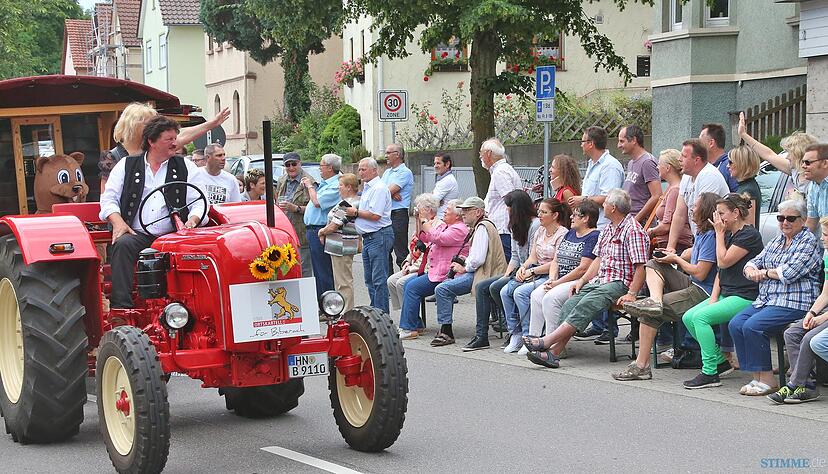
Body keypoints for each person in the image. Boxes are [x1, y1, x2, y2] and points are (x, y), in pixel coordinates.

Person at [523, 189, 649, 368]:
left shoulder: (633, 230)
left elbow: (640, 267)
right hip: (601, 280)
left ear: (613, 208)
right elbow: (597, 259)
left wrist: (632, 293)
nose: (602, 206)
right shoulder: (608, 229)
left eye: (604, 204)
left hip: (620, 283)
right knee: (570, 303)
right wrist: (581, 281)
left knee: (586, 304)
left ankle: (546, 343)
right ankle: (553, 353)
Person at [99, 116, 206, 309]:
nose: (175, 143)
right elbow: (109, 199)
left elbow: (199, 201)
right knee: (122, 245)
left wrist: (192, 221)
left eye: (176, 138)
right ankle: (122, 309)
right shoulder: (126, 165)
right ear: (152, 142)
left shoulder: (186, 167)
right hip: (137, 234)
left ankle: (190, 307)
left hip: (175, 236)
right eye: (169, 139)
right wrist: (118, 222)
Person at [615, 193, 720, 381]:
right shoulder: (703, 232)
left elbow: (701, 273)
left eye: (695, 206)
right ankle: (655, 300)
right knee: (653, 264)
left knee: (649, 313)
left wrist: (676, 259)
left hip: (703, 292)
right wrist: (670, 254)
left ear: (704, 211)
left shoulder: (712, 235)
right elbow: (692, 252)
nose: (692, 209)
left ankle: (641, 366)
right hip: (694, 285)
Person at [730, 198, 822, 396]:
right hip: (768, 300)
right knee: (736, 323)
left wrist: (762, 273)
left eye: (790, 218)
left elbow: (789, 273)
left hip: (796, 301)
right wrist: (752, 268)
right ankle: (757, 376)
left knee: (753, 326)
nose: (784, 222)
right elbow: (754, 261)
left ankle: (769, 380)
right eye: (780, 218)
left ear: (803, 220)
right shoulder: (777, 240)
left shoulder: (808, 242)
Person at [681, 193, 764, 389]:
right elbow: (720, 271)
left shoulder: (749, 235)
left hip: (745, 295)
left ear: (736, 213)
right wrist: (714, 297)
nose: (717, 218)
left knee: (701, 318)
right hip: (727, 292)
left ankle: (710, 372)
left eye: (721, 213)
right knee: (688, 317)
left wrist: (718, 234)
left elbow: (724, 260)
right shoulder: (728, 234)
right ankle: (720, 361)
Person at [463, 190, 540, 351]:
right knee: (485, 287)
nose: (507, 210)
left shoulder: (535, 226)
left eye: (509, 207)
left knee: (499, 288)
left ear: (517, 208)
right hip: (517, 270)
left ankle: (514, 328)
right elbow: (514, 256)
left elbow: (534, 257)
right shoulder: (514, 226)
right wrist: (506, 275)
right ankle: (481, 335)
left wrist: (519, 272)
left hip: (533, 270)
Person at [430, 196, 507, 347]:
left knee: (442, 288)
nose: (463, 213)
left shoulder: (482, 228)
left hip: (483, 273)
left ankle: (446, 331)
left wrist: (463, 267)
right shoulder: (482, 226)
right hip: (485, 271)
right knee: (444, 287)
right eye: (462, 210)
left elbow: (478, 260)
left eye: (467, 210)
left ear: (478, 212)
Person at [100, 102, 230, 189]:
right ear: (133, 126)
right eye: (149, 123)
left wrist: (212, 124)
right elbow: (107, 196)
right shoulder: (113, 157)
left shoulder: (156, 147)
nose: (155, 127)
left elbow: (183, 134)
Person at [770, 217, 828, 403]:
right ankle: (808, 386)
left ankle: (794, 384)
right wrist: (811, 313)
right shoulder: (827, 255)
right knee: (793, 332)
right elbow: (825, 294)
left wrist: (822, 318)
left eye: (826, 235)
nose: (822, 238)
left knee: (811, 338)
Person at [502, 198, 570, 354]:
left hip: (550, 275)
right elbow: (533, 256)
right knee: (504, 291)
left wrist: (532, 271)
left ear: (555, 215)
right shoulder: (540, 230)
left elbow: (556, 262)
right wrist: (523, 267)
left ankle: (530, 335)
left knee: (521, 293)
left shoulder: (562, 233)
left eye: (544, 212)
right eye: (539, 211)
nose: (539, 215)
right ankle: (515, 333)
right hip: (535, 272)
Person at [528, 200, 600, 341]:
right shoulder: (571, 233)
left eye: (575, 215)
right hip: (560, 279)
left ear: (586, 218)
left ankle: (551, 342)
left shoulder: (594, 236)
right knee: (536, 295)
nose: (571, 217)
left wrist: (557, 282)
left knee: (550, 299)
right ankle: (533, 338)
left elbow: (583, 268)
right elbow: (556, 260)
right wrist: (552, 278)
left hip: (578, 282)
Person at [397, 199, 469, 339]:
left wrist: (424, 219)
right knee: (407, 285)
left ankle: (408, 328)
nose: (444, 212)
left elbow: (437, 238)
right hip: (436, 271)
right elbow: (425, 236)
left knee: (412, 287)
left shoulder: (459, 229)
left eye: (448, 210)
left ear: (457, 215)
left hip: (447, 274)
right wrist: (419, 219)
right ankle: (414, 325)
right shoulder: (446, 226)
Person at [345, 158, 393, 313]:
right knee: (370, 280)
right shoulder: (368, 187)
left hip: (378, 235)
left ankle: (382, 316)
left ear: (374, 170)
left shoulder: (378, 188)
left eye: (364, 169)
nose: (360, 172)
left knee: (379, 280)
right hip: (369, 238)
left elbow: (375, 215)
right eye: (359, 169)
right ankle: (376, 313)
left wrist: (356, 212)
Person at [666, 138, 730, 252]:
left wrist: (695, 249)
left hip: (713, 240)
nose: (679, 159)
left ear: (697, 160)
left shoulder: (709, 176)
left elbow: (706, 217)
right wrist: (670, 247)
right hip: (699, 240)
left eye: (684, 156)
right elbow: (679, 214)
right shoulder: (686, 176)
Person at [738, 112, 818, 196]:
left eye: (790, 153)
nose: (787, 157)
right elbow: (769, 155)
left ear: (799, 155)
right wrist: (743, 135)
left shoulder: (818, 179)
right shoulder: (794, 170)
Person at [387, 194, 440, 312]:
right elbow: (414, 248)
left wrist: (412, 268)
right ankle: (406, 315)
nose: (416, 211)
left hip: (425, 269)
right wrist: (407, 261)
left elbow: (427, 253)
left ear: (428, 210)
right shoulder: (419, 226)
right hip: (414, 265)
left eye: (419, 208)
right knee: (391, 281)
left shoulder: (436, 227)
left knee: (401, 283)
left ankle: (410, 318)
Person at [317, 173, 360, 312]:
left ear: (349, 187)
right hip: (338, 246)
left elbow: (334, 224)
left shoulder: (348, 204)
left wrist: (321, 232)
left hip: (342, 246)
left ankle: (346, 311)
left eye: (340, 185)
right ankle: (342, 309)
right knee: (340, 281)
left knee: (343, 282)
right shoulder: (349, 202)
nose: (338, 188)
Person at [568, 126, 624, 229]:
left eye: (583, 141)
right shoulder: (592, 163)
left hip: (603, 226)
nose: (581, 145)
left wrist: (582, 200)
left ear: (591, 144)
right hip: (590, 225)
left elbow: (609, 198)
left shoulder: (610, 166)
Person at [304, 153, 343, 297]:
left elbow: (317, 202)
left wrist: (309, 186)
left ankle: (329, 304)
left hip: (320, 230)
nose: (319, 169)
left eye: (321, 165)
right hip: (312, 230)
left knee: (324, 270)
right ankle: (322, 303)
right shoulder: (326, 184)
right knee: (318, 270)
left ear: (330, 168)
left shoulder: (335, 185)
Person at [480, 137, 522, 260]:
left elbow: (511, 200)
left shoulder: (500, 172)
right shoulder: (502, 170)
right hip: (503, 228)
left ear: (488, 153)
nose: (480, 157)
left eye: (481, 153)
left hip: (503, 228)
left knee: (505, 262)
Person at [275, 152, 313, 278]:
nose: (291, 167)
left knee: (304, 268)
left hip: (302, 232)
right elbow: (277, 200)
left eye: (294, 164)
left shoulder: (309, 181)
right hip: (284, 231)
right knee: (286, 267)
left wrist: (295, 208)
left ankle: (306, 296)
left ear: (300, 164)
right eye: (288, 165)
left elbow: (315, 209)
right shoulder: (282, 180)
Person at [648, 149, 692, 253]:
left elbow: (667, 225)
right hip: (674, 243)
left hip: (674, 244)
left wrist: (651, 231)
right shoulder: (673, 188)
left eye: (659, 164)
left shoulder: (674, 190)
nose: (657, 167)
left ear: (668, 168)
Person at [619, 125, 662, 224]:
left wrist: (636, 220)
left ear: (634, 140)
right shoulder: (631, 163)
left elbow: (657, 195)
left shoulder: (647, 162)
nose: (619, 145)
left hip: (641, 224)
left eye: (622, 141)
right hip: (629, 221)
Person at [382, 143, 414, 271]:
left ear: (398, 155)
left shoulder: (405, 172)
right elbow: (380, 191)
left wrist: (389, 192)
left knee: (400, 251)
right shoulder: (387, 172)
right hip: (386, 214)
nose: (386, 156)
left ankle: (402, 283)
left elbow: (386, 192)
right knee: (385, 251)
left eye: (389, 153)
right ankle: (388, 285)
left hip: (398, 214)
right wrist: (389, 192)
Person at [727, 145, 761, 228]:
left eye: (731, 162)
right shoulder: (745, 187)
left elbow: (749, 225)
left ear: (742, 164)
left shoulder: (748, 190)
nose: (728, 166)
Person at [700, 123, 738, 191]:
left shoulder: (729, 166)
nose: (698, 145)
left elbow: (739, 198)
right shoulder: (704, 167)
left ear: (711, 143)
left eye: (700, 141)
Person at [802, 144, 828, 236]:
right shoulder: (813, 185)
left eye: (808, 162)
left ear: (825, 163)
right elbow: (811, 222)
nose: (803, 166)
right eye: (803, 162)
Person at [432, 152, 459, 219]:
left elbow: (432, 202)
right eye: (434, 163)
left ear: (447, 164)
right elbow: (434, 200)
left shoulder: (447, 180)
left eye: (438, 163)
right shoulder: (444, 179)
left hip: (443, 219)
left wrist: (435, 201)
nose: (435, 166)